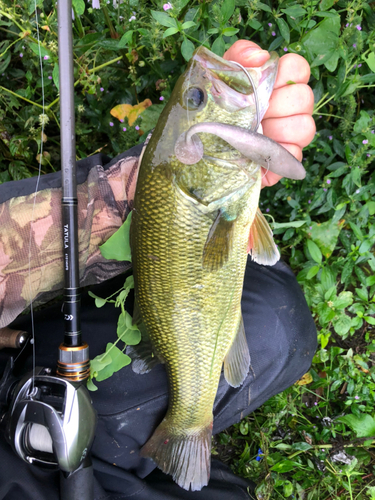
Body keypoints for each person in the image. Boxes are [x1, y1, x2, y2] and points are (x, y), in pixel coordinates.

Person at [0, 40, 317, 499]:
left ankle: (177, 435)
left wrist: (133, 189)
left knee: (276, 324)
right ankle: (181, 433)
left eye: (194, 99)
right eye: (197, 99)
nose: (202, 87)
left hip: (26, 385)